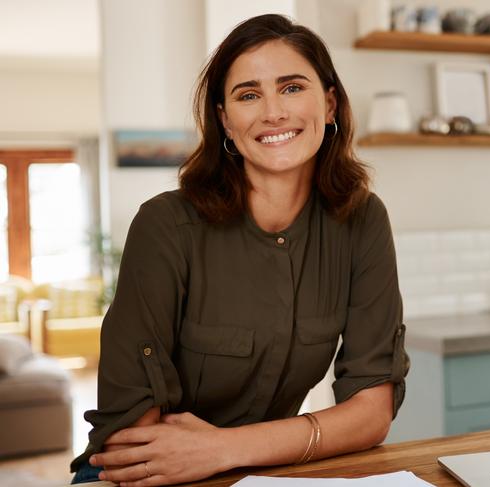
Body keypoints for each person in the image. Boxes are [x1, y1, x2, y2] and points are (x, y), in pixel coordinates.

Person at [70, 13, 408, 486]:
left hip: (261, 469)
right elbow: (134, 438)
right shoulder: (166, 224)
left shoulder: (362, 220)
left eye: (292, 87)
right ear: (226, 121)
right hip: (141, 476)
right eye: (249, 95)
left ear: (329, 104)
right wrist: (235, 453)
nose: (273, 112)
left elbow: (372, 413)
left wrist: (224, 449)